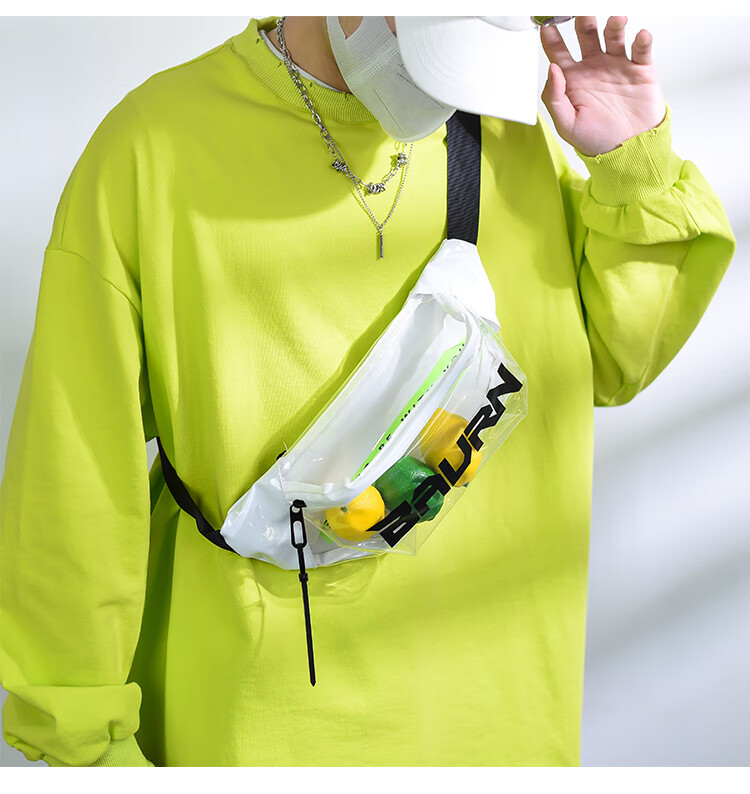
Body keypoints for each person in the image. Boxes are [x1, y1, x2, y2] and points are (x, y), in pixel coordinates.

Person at [0, 15, 736, 767]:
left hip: (508, 720)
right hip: (266, 730)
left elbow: (611, 363)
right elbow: (73, 473)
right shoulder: (155, 149)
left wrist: (631, 167)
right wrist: (91, 749)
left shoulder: (504, 126)